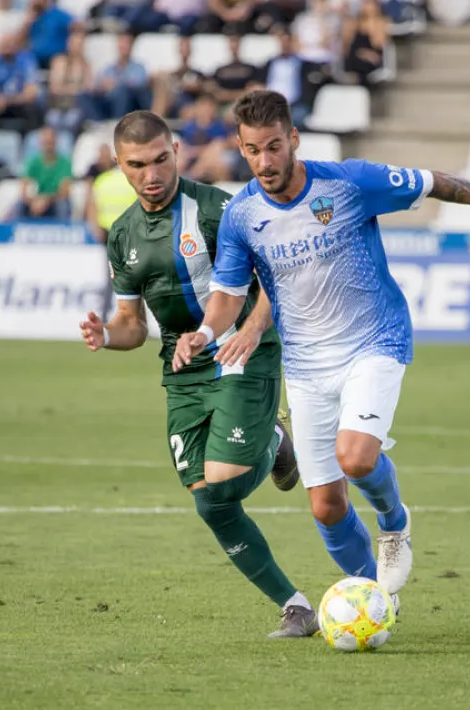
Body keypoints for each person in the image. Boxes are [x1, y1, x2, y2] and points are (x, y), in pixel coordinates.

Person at [172, 90, 470, 598]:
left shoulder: (347, 182)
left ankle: (394, 523)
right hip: (305, 367)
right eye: (254, 150)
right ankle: (372, 598)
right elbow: (228, 294)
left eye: (275, 147)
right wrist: (207, 332)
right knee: (326, 505)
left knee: (356, 459)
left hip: (373, 341)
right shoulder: (242, 217)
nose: (265, 161)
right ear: (241, 147)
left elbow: (434, 182)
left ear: (294, 140)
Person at [79, 110, 317, 638]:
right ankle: (296, 606)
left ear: (177, 150)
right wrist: (106, 336)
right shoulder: (122, 236)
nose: (152, 174)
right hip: (181, 368)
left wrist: (248, 332)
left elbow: (278, 284)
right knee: (209, 501)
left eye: (161, 159)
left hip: (240, 351)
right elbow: (131, 326)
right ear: (119, 166)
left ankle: (272, 438)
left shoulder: (218, 211)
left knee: (225, 483)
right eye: (137, 164)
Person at [0, 33, 41, 131]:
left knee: (32, 109)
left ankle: (29, 138)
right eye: (4, 44)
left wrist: (6, 101)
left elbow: (30, 93)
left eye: (9, 44)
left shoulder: (27, 60)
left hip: (18, 102)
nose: (6, 47)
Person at [19, 126, 73, 220]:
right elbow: (24, 186)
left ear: (55, 143)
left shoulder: (65, 163)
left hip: (55, 200)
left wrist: (46, 200)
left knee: (63, 205)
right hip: (35, 200)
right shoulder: (33, 162)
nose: (48, 146)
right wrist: (32, 201)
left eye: (50, 143)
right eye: (45, 143)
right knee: (19, 205)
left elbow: (64, 191)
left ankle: (62, 230)